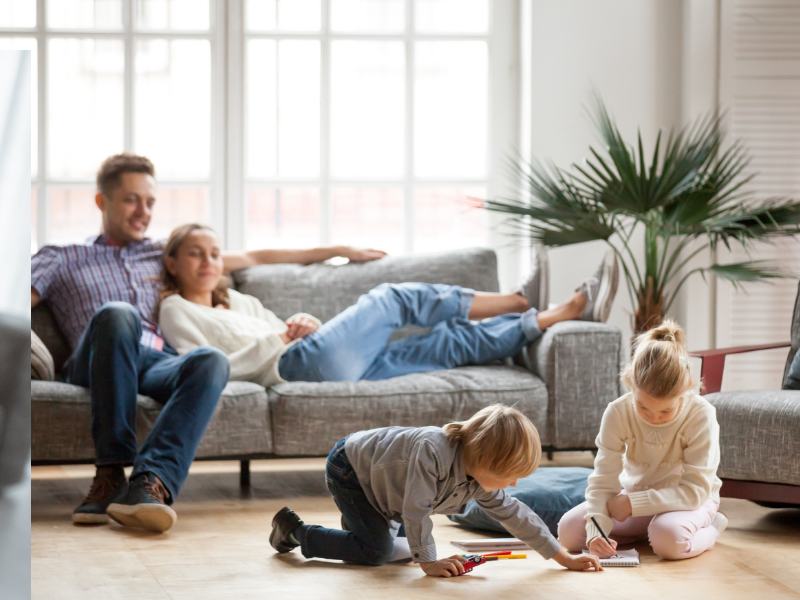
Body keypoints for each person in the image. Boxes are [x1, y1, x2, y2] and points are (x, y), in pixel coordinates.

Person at [30, 153, 385, 533]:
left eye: (150, 202)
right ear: (103, 201)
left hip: (154, 360)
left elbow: (255, 256)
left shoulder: (162, 252)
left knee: (211, 360)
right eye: (132, 199)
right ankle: (110, 472)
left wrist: (337, 250)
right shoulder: (62, 258)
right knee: (119, 314)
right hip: (97, 359)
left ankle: (151, 484)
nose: (143, 211)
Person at [157, 223, 620, 385]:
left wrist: (300, 322)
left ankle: (553, 314)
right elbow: (203, 367)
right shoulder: (176, 310)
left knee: (446, 344)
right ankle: (518, 299)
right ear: (173, 262)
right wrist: (282, 337)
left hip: (319, 357)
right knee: (393, 297)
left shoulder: (238, 299)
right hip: (294, 365)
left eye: (214, 253)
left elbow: (285, 326)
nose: (208, 261)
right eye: (195, 253)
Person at [269, 404, 604, 575]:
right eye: (509, 476)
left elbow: (517, 515)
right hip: (352, 469)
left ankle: (361, 529)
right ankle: (296, 532)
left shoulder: (480, 479)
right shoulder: (433, 451)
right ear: (485, 463)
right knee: (379, 553)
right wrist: (429, 562)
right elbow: (416, 510)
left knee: (399, 553)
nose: (513, 485)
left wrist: (564, 558)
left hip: (387, 488)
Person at [557, 320, 728, 561]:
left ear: (687, 389)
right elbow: (603, 480)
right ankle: (648, 531)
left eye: (666, 412)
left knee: (669, 541)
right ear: (630, 382)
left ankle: (709, 529)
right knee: (568, 533)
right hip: (636, 497)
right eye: (643, 407)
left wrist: (633, 504)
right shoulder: (617, 411)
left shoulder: (701, 414)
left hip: (690, 501)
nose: (654, 418)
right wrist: (597, 532)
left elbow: (694, 491)